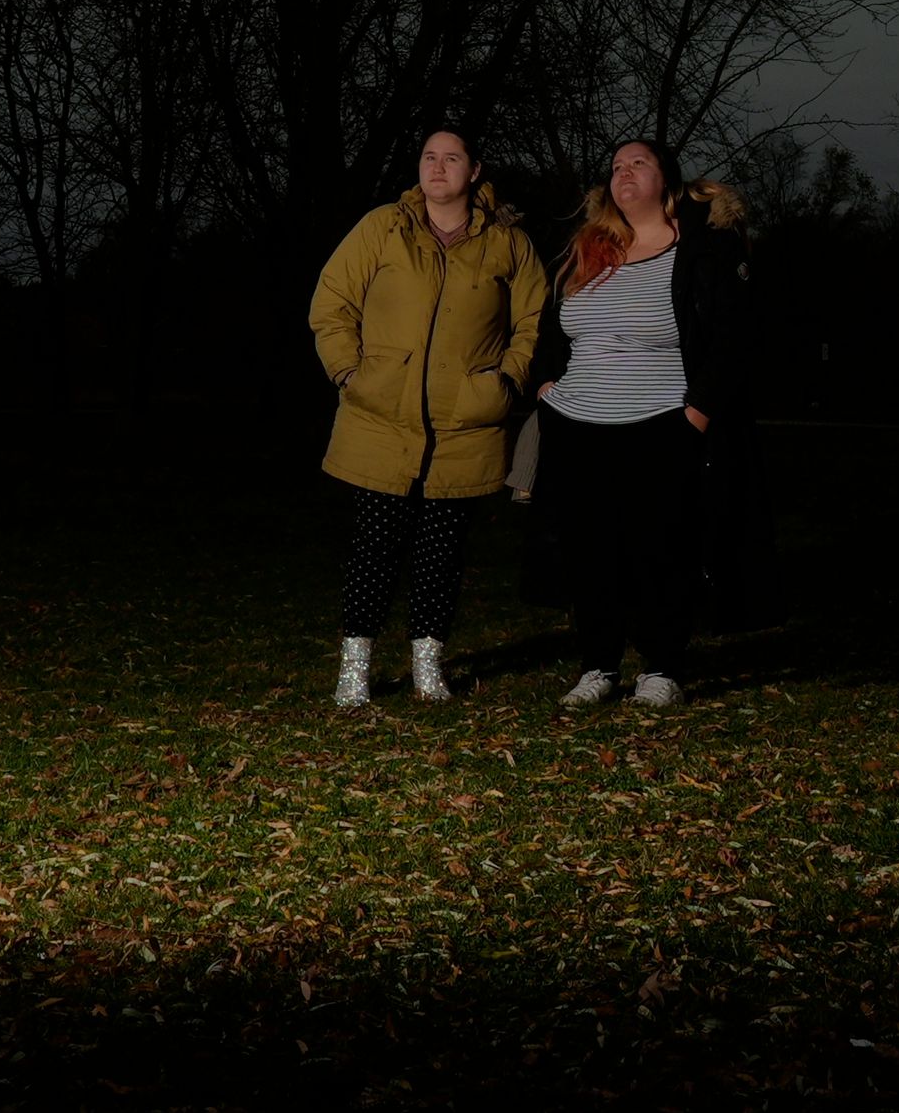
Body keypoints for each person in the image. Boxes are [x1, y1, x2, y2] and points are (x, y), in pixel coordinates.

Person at [308, 126, 551, 708]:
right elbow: (331, 301)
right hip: (381, 419)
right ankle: (355, 668)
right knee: (374, 547)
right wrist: (349, 372)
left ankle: (427, 664)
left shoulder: (508, 244)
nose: (437, 168)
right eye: (428, 157)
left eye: (451, 158)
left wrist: (507, 380)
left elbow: (534, 321)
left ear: (474, 170)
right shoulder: (380, 228)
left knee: (442, 553)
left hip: (465, 425)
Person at [527, 137, 751, 708]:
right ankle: (597, 667)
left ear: (666, 180)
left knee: (659, 547)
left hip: (659, 424)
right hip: (577, 425)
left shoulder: (699, 249)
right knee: (589, 550)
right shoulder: (590, 248)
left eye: (639, 164)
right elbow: (553, 327)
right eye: (617, 166)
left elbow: (731, 339)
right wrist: (547, 384)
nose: (624, 173)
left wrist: (694, 415)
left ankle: (661, 668)